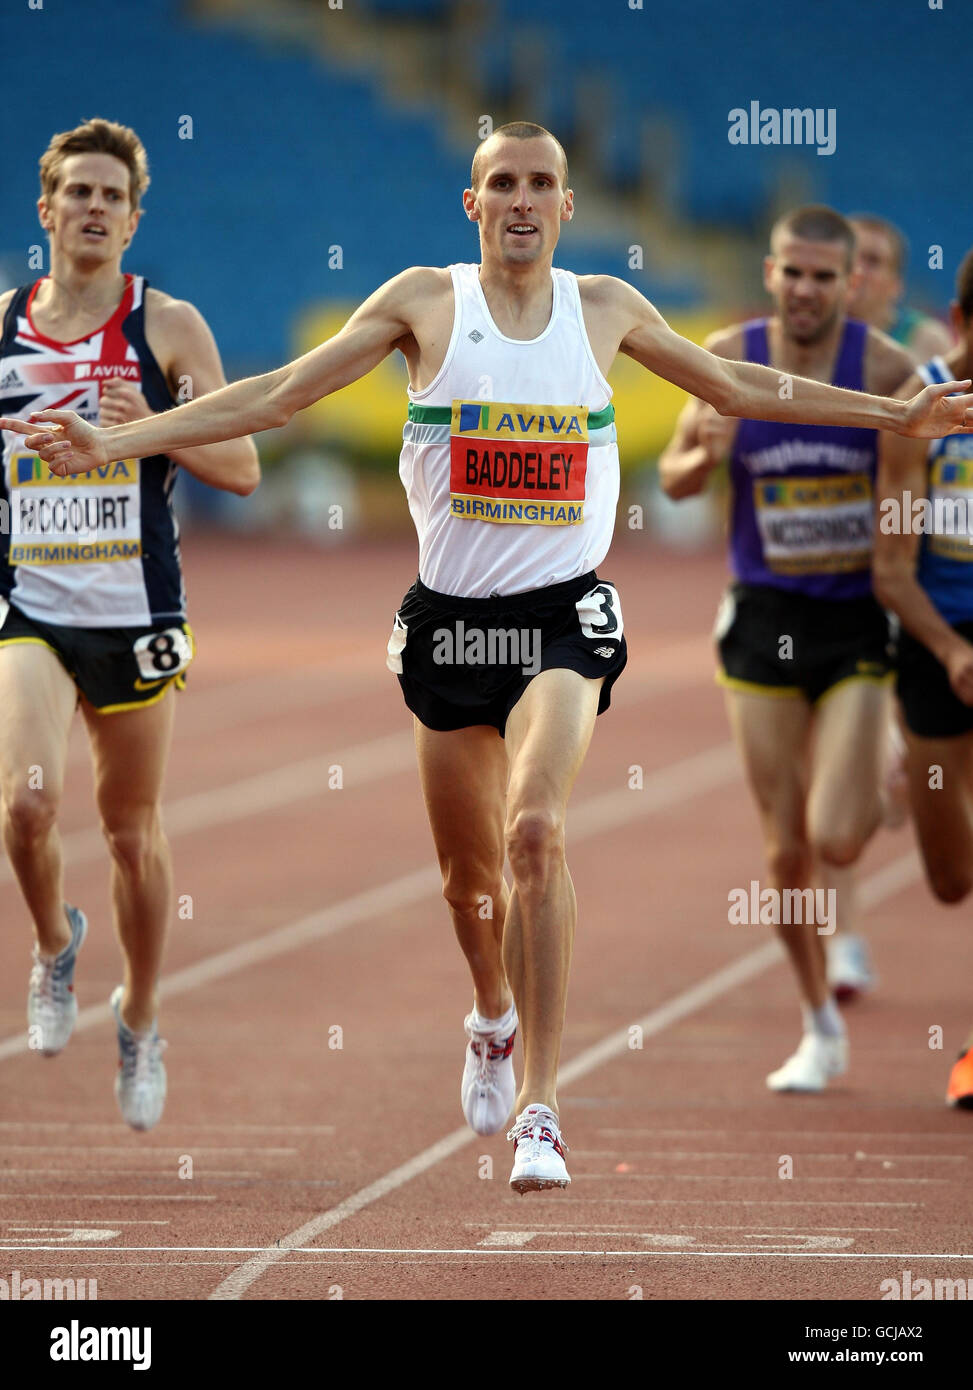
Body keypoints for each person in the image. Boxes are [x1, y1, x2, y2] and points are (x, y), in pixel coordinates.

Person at [4, 128, 972, 1185]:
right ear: (473, 204)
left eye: (542, 184)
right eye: (503, 183)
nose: (522, 199)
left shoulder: (605, 308)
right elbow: (277, 395)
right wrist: (118, 441)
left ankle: (543, 1108)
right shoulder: (426, 300)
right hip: (450, 629)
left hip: (562, 619)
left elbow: (741, 388)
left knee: (534, 831)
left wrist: (894, 411)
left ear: (566, 205)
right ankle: (490, 1013)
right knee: (470, 887)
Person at [0, 118, 259, 1130]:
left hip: (137, 614)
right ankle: (54, 944)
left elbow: (241, 469)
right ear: (47, 211)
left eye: (114, 196)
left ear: (135, 216)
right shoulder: (3, 330)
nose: (96, 208)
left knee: (129, 833)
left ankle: (140, 1014)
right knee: (25, 805)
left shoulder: (168, 330)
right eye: (80, 192)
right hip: (31, 606)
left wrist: (141, 430)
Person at [659, 206, 918, 1091]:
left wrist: (892, 531)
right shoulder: (726, 356)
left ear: (852, 284)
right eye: (790, 273)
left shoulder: (884, 371)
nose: (805, 290)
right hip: (762, 618)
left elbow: (903, 504)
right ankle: (816, 1025)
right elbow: (671, 476)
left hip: (851, 622)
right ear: (768, 273)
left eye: (823, 277)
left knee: (835, 837)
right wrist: (704, 450)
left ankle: (877, 763)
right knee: (782, 855)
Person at [873, 245, 973, 1108]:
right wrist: (948, 650)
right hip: (935, 643)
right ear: (960, 324)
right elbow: (891, 569)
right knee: (949, 879)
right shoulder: (927, 409)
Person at [849, 215, 953, 364]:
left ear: (896, 285)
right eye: (850, 257)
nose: (857, 270)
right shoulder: (812, 332)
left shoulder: (925, 340)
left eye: (872, 261)